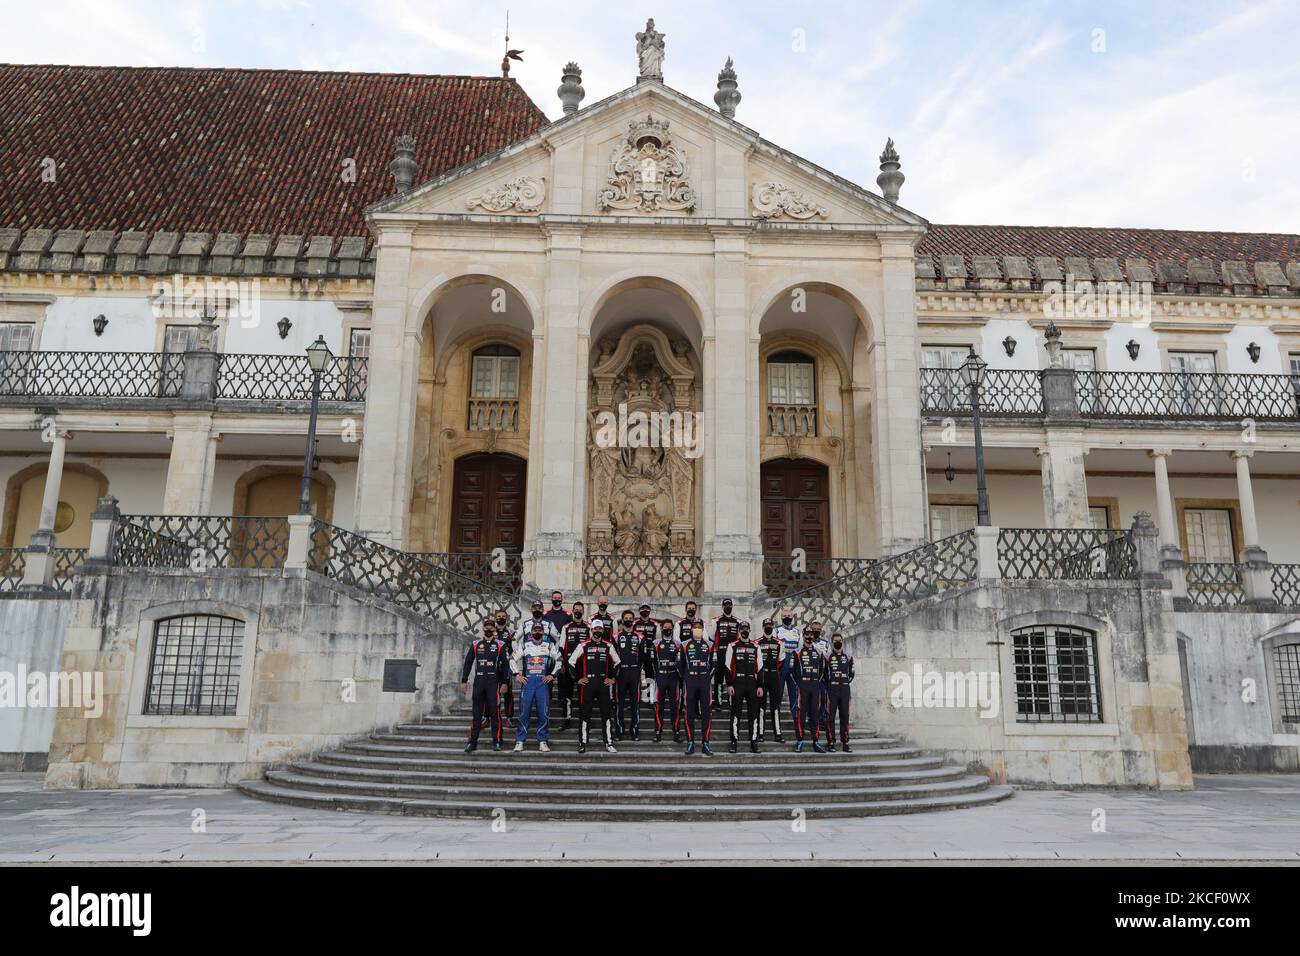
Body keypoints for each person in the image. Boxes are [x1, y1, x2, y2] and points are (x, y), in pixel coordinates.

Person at [568, 620, 620, 753]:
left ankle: (609, 742)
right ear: (591, 630)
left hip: (603, 683)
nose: (598, 631)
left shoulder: (608, 645)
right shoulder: (583, 645)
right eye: (595, 628)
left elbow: (618, 662)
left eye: (600, 629)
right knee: (585, 714)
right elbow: (571, 662)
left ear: (603, 630)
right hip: (588, 684)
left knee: (606, 714)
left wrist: (612, 678)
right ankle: (583, 742)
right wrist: (577, 679)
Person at [459, 621, 508, 753]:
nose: (488, 629)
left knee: (494, 713)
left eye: (491, 627)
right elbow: (468, 663)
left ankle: (497, 741)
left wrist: (505, 683)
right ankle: (472, 742)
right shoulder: (476, 644)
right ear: (483, 628)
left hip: (493, 682)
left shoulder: (500, 644)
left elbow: (505, 666)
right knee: (476, 715)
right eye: (486, 627)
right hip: (479, 682)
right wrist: (464, 681)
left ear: (494, 629)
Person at [511, 622, 561, 752]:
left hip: (542, 683)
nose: (537, 632)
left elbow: (560, 660)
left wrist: (552, 675)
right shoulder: (524, 645)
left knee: (543, 713)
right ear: (531, 632)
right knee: (524, 713)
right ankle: (520, 741)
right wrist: (517, 674)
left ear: (543, 633)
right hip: (528, 683)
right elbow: (511, 659)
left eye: (540, 630)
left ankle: (543, 741)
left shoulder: (549, 645)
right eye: (535, 630)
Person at [724, 621, 764, 753]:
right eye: (742, 629)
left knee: (754, 714)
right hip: (738, 683)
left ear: (750, 630)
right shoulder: (732, 646)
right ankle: (734, 741)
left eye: (746, 628)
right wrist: (729, 684)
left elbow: (760, 667)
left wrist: (760, 686)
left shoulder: (756, 646)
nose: (744, 631)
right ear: (739, 631)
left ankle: (754, 741)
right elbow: (728, 666)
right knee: (736, 713)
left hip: (752, 683)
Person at [678, 622, 714, 756]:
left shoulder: (709, 645)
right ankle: (690, 742)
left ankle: (706, 742)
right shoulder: (684, 644)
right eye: (695, 627)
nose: (697, 629)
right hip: (690, 682)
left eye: (700, 627)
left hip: (704, 681)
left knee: (706, 713)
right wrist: (686, 678)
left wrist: (706, 677)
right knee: (689, 713)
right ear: (691, 629)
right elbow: (679, 664)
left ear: (703, 629)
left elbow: (714, 665)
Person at [790, 631, 828, 753]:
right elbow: (792, 670)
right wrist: (799, 683)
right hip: (803, 686)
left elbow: (823, 670)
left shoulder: (819, 652)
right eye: (807, 635)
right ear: (803, 637)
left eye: (811, 635)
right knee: (801, 714)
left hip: (815, 686)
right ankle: (800, 740)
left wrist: (817, 681)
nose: (809, 637)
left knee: (815, 714)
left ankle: (815, 741)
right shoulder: (797, 652)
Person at [557, 603, 592, 731]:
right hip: (568, 666)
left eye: (580, 610)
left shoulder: (588, 627)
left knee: (585, 694)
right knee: (567, 695)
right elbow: (561, 647)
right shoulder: (566, 627)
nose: (578, 612)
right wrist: (561, 663)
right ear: (572, 611)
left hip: (583, 666)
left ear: (583, 611)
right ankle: (567, 719)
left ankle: (585, 719)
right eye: (576, 610)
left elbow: (591, 645)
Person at [612, 613, 646, 740]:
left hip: (634, 673)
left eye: (630, 619)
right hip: (620, 674)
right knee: (618, 703)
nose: (628, 621)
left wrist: (638, 670)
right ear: (622, 621)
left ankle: (634, 730)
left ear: (633, 620)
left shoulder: (640, 637)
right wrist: (615, 672)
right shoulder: (616, 637)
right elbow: (612, 655)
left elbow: (643, 656)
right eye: (625, 619)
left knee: (635, 703)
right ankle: (619, 731)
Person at [649, 621, 683, 742]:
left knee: (675, 707)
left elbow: (680, 662)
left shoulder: (678, 644)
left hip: (674, 678)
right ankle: (658, 731)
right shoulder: (656, 643)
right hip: (661, 678)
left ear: (673, 629)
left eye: (669, 628)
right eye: (665, 628)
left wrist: (680, 676)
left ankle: (677, 732)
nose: (667, 629)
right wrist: (656, 676)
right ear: (662, 629)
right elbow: (652, 661)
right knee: (659, 706)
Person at [756, 617, 786, 742]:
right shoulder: (756, 643)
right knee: (761, 706)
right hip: (762, 677)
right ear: (763, 627)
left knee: (775, 706)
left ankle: (778, 733)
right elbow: (755, 662)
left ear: (773, 627)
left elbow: (781, 660)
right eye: (766, 625)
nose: (768, 627)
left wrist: (773, 670)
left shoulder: (780, 643)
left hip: (774, 677)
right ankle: (760, 733)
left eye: (770, 625)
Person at [824, 633, 854, 752]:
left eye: (840, 640)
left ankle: (845, 742)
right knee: (830, 716)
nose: (838, 642)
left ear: (842, 641)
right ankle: (831, 742)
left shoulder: (848, 657)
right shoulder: (827, 657)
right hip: (832, 689)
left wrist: (845, 682)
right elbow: (824, 674)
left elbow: (851, 673)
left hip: (845, 690)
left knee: (845, 716)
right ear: (832, 642)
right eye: (835, 641)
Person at [712, 598, 743, 708]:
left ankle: (731, 701)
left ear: (732, 606)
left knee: (732, 676)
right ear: (722, 606)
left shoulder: (738, 622)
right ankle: (717, 702)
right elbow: (712, 637)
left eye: (729, 605)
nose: (728, 606)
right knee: (718, 677)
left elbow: (740, 638)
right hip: (720, 651)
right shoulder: (716, 620)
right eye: (726, 605)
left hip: (733, 653)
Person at [774, 610, 802, 727]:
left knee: (794, 695)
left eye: (789, 616)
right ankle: (776, 722)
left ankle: (796, 721)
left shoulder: (797, 632)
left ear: (793, 617)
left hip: (793, 667)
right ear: (781, 617)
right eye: (784, 616)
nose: (787, 618)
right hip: (781, 665)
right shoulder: (776, 631)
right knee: (778, 694)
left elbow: (799, 650)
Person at [494, 609, 517, 728]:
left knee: (508, 693)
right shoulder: (491, 631)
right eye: (499, 616)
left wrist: (512, 661)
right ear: (495, 617)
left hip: (506, 667)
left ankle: (508, 718)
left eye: (503, 616)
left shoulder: (511, 632)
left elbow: (515, 650)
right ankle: (493, 717)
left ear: (507, 618)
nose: (501, 618)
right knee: (492, 693)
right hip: (492, 668)